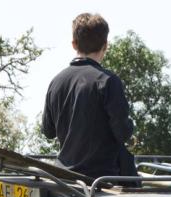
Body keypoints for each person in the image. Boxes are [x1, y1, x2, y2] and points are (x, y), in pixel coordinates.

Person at [42, 13, 138, 183]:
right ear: (105, 45)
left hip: (63, 178)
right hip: (101, 180)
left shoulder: (56, 82)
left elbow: (48, 131)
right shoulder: (108, 81)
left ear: (74, 44)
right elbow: (123, 132)